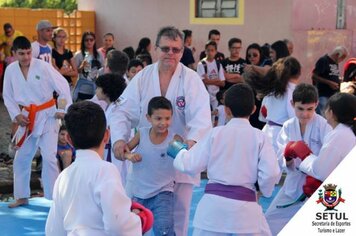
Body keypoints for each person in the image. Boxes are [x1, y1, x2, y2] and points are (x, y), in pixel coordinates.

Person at [110, 26, 212, 236]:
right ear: (156, 49)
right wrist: (119, 140)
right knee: (131, 220)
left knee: (177, 223)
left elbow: (201, 122)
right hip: (144, 162)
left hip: (177, 163)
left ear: (182, 51)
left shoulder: (191, 80)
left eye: (176, 49)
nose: (170, 54)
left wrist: (185, 149)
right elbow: (121, 112)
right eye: (165, 49)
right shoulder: (143, 77)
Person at [168, 83, 280, 235]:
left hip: (212, 211)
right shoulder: (260, 137)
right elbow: (271, 173)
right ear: (254, 109)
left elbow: (190, 164)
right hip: (246, 212)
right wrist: (263, 190)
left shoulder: (216, 133)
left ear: (226, 110)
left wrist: (179, 151)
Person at [45, 101, 153, 235]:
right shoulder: (106, 170)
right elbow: (117, 225)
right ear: (107, 135)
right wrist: (137, 219)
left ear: (68, 139)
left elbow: (53, 230)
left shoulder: (63, 177)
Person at [3, 36, 72, 208]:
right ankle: (22, 196)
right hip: (27, 117)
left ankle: (54, 198)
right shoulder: (11, 70)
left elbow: (62, 87)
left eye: (28, 53)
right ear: (14, 53)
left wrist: (61, 110)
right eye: (21, 53)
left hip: (48, 115)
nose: (26, 57)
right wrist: (16, 116)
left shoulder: (43, 66)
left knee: (49, 157)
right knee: (21, 158)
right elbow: (8, 96)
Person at [265, 83, 332, 235]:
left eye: (310, 109)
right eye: (300, 108)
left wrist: (313, 166)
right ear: (292, 104)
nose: (305, 114)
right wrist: (288, 157)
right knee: (269, 221)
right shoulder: (288, 126)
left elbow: (330, 158)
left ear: (316, 105)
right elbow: (281, 158)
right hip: (293, 184)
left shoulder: (323, 126)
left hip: (316, 186)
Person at [123, 96, 179, 235]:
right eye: (158, 118)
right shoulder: (141, 134)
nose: (163, 123)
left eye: (167, 118)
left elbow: (185, 158)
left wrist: (184, 149)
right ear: (148, 118)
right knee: (135, 230)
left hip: (163, 192)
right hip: (139, 193)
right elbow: (125, 150)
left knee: (164, 230)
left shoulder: (174, 139)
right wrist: (130, 156)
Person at [294, 92, 356, 184]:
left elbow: (321, 172)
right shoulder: (345, 132)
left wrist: (305, 155)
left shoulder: (339, 135)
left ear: (331, 112)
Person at [247, 56, 301, 153]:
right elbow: (294, 119)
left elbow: (262, 116)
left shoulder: (272, 90)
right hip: (282, 136)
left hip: (267, 131)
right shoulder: (294, 92)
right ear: (298, 73)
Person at [95, 73, 128, 183]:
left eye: (98, 87)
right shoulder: (111, 108)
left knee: (119, 179)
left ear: (106, 91)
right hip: (109, 150)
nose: (96, 91)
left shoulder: (117, 111)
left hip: (116, 150)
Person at [312, 46, 348, 116]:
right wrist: (330, 83)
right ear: (337, 54)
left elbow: (330, 75)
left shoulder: (335, 62)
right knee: (322, 116)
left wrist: (338, 80)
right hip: (323, 94)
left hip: (333, 95)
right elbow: (314, 76)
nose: (342, 60)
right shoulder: (323, 60)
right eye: (342, 58)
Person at [73, 31, 104, 101]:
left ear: (94, 41)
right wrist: (82, 66)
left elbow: (103, 68)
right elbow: (75, 72)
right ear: (83, 42)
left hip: (96, 89)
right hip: (82, 89)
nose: (89, 42)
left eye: (91, 40)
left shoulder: (99, 54)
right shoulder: (78, 55)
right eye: (86, 40)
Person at [197, 40, 225, 110]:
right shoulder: (201, 64)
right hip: (205, 95)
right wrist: (216, 80)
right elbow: (202, 82)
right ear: (205, 51)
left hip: (216, 97)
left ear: (215, 52)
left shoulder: (218, 65)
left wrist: (209, 80)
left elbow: (223, 83)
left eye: (212, 50)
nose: (210, 52)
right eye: (208, 50)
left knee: (215, 117)